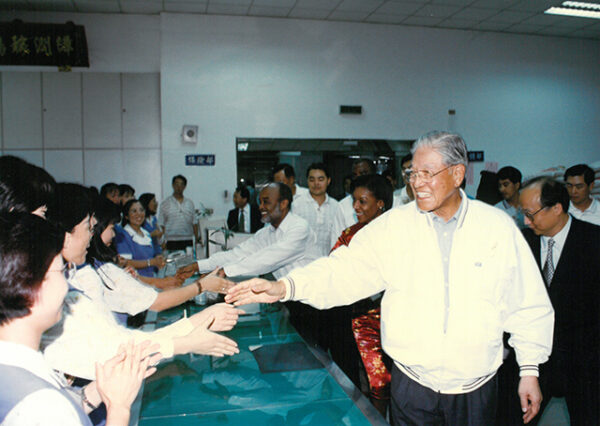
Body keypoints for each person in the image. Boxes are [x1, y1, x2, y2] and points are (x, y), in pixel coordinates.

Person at [226, 131, 554, 425]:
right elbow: (342, 271)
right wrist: (284, 286)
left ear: (457, 174)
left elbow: (527, 304)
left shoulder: (496, 228)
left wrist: (529, 370)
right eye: (413, 174)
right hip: (411, 385)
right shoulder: (393, 228)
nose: (417, 182)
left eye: (428, 173)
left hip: (476, 386)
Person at [43, 183, 240, 381]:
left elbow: (115, 341)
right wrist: (187, 337)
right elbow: (116, 347)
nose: (93, 234)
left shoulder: (85, 273)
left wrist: (193, 324)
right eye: (89, 227)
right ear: (65, 235)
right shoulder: (87, 277)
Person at [0, 212, 160, 426]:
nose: (67, 283)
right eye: (62, 270)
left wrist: (95, 391)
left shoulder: (15, 365)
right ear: (33, 286)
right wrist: (119, 408)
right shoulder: (38, 404)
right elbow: (48, 410)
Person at [518, 177, 599, 425]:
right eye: (523, 214)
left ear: (557, 208)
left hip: (585, 363)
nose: (526, 221)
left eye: (531, 214)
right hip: (533, 361)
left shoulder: (593, 241)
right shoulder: (520, 243)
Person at [87, 201, 235, 324]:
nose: (114, 234)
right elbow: (157, 302)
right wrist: (200, 286)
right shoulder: (103, 268)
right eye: (112, 228)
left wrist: (177, 284)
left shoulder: (101, 265)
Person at [328, 174, 394, 416]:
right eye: (354, 201)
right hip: (363, 317)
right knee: (377, 379)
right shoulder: (349, 234)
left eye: (362, 202)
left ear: (380, 203)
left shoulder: (398, 232)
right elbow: (334, 269)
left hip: (398, 315)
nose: (355, 207)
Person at [177, 182, 318, 280]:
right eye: (260, 202)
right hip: (289, 295)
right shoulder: (266, 232)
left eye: (266, 202)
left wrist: (224, 272)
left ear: (283, 204)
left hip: (312, 300)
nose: (261, 207)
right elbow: (237, 254)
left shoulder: (299, 228)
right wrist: (199, 266)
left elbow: (268, 259)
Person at [292, 162, 345, 256]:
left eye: (321, 179)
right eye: (312, 179)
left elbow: (339, 237)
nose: (316, 183)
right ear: (307, 181)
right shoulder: (296, 205)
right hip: (300, 263)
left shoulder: (336, 207)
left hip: (326, 263)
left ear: (328, 181)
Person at [115, 199, 166, 278]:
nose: (139, 214)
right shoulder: (123, 236)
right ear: (126, 216)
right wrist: (151, 262)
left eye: (141, 210)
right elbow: (125, 263)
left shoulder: (146, 234)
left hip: (151, 279)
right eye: (134, 211)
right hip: (134, 282)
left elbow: (152, 255)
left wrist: (158, 258)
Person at [333, 158, 375, 233]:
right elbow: (337, 240)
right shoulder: (343, 206)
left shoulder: (391, 200)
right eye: (355, 175)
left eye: (363, 173)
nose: (358, 178)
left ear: (374, 174)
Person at [158, 174, 199, 251]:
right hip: (170, 240)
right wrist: (162, 241)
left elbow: (194, 223)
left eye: (182, 184)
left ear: (185, 186)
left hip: (187, 239)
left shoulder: (190, 203)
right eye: (177, 184)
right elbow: (161, 224)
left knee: (188, 262)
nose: (179, 187)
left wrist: (196, 238)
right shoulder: (165, 203)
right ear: (173, 185)